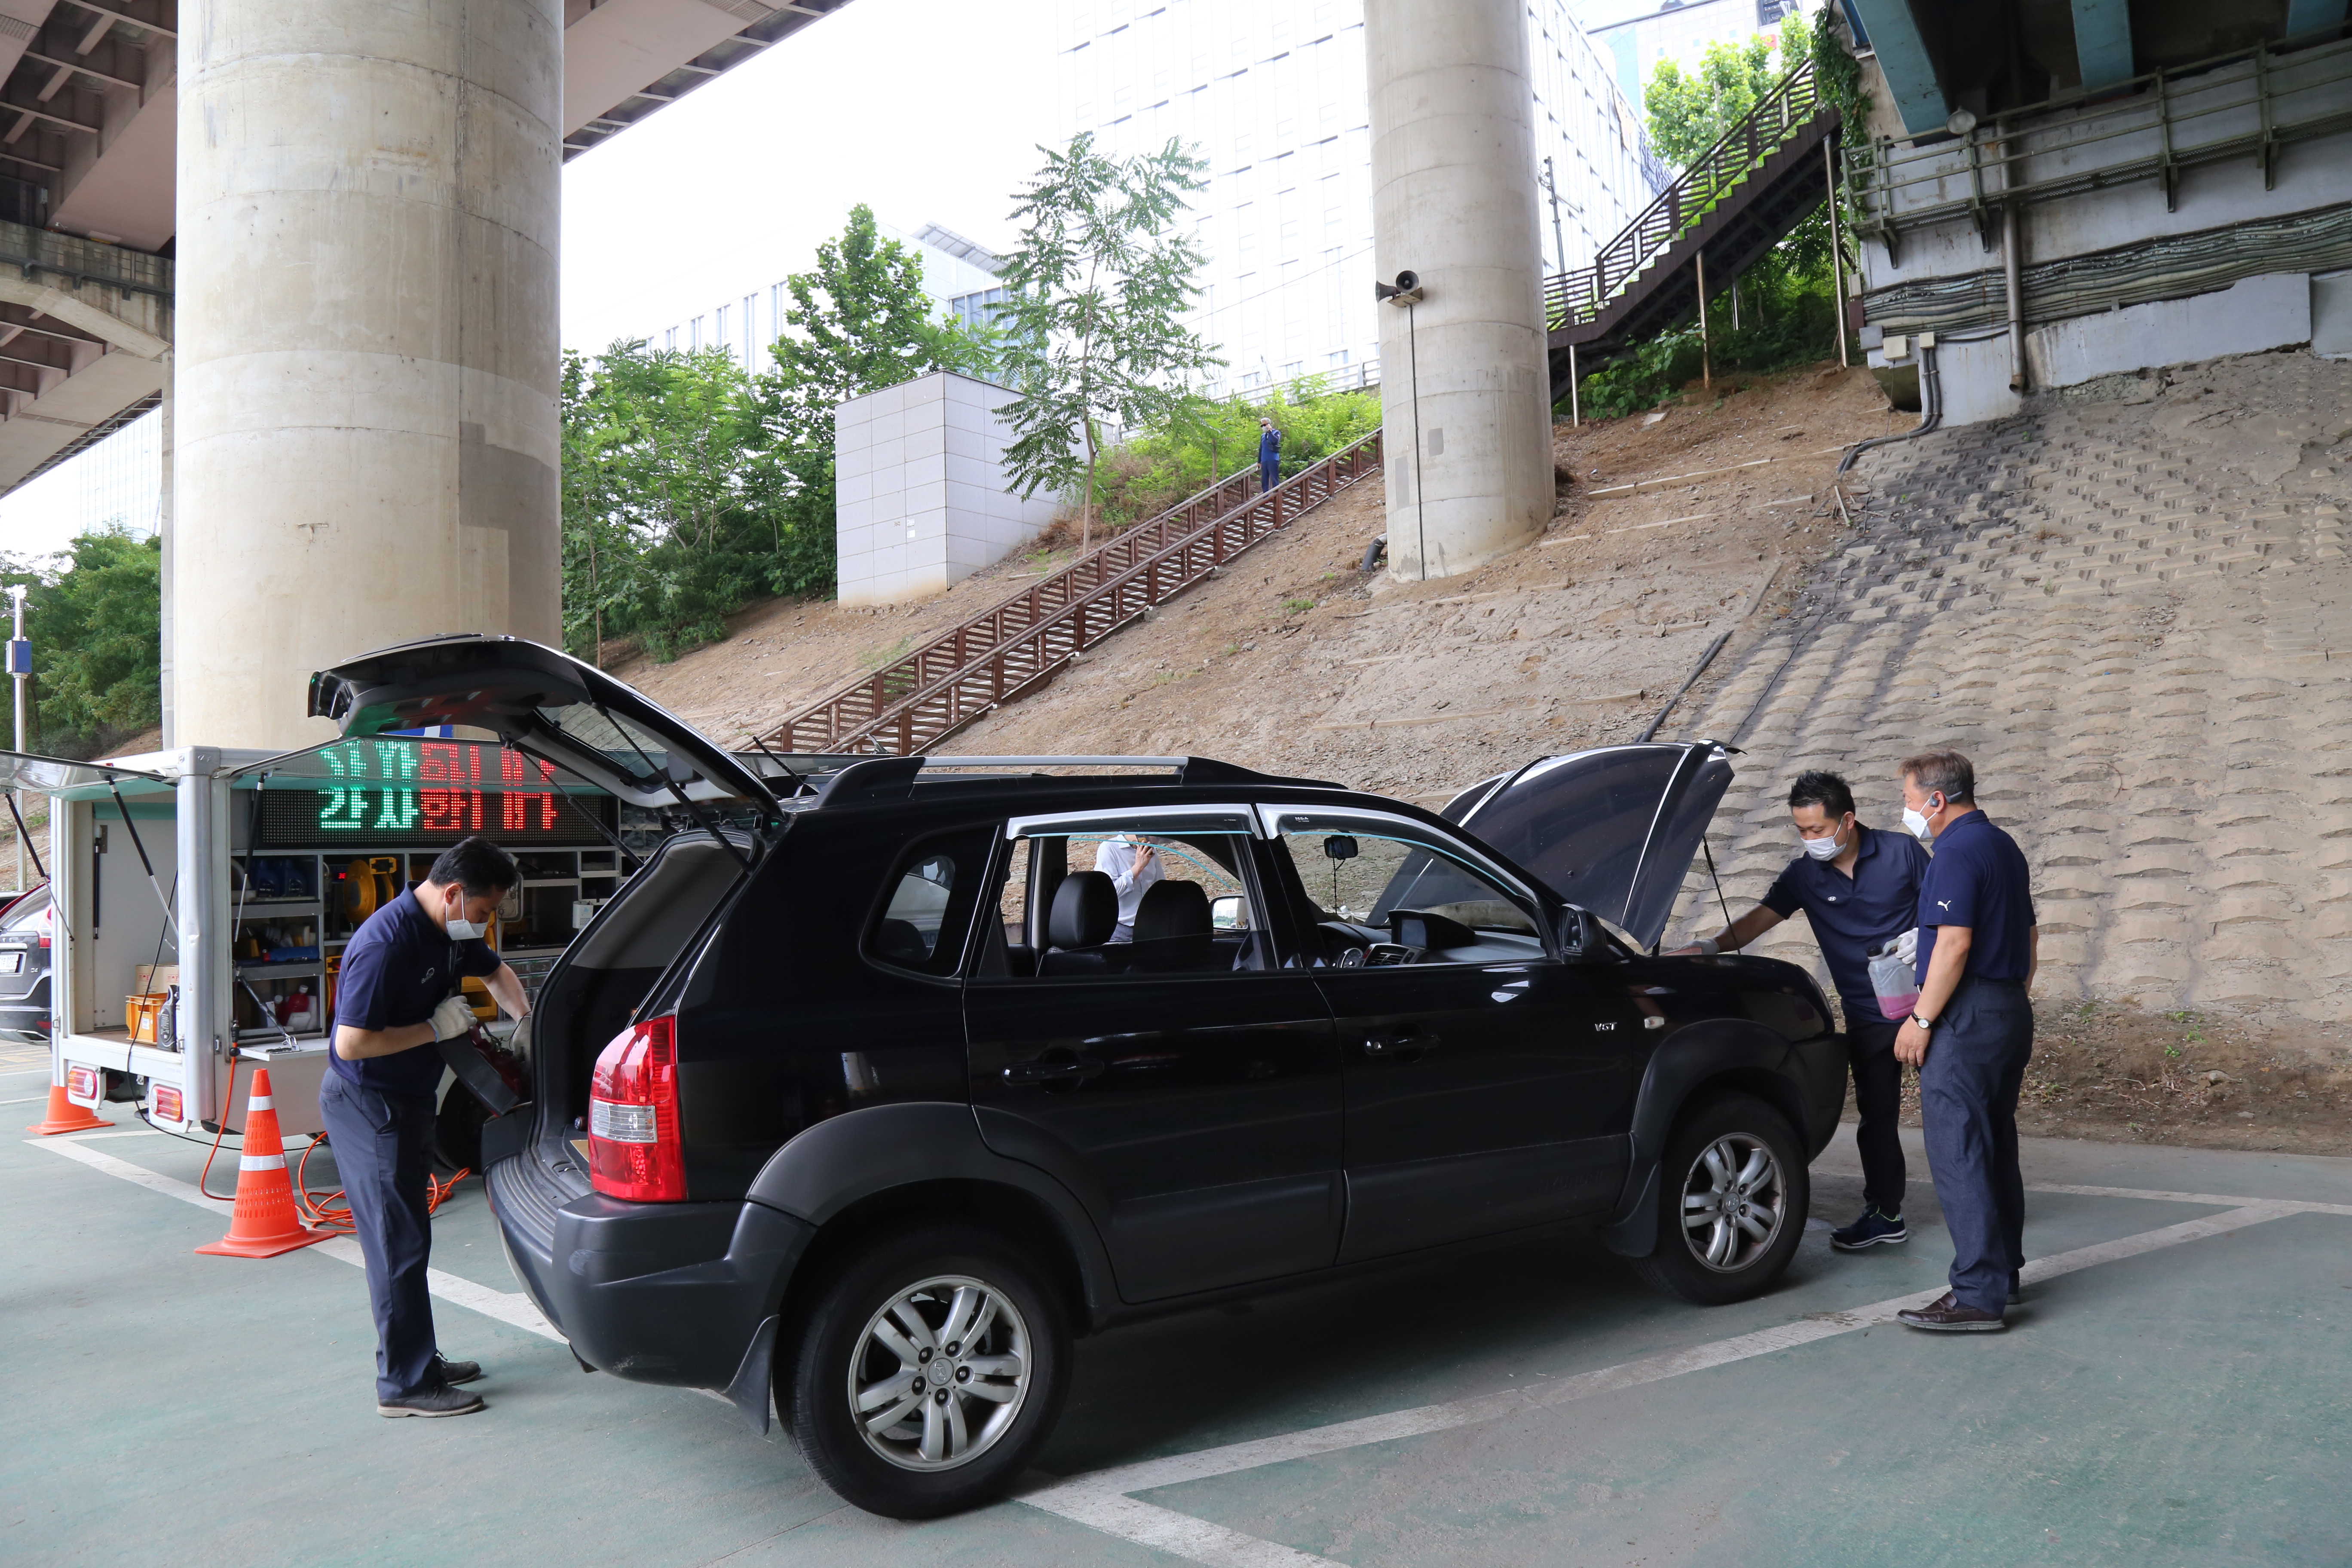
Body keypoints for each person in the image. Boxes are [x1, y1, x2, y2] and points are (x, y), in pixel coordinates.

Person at [1672, 771, 1929, 1250]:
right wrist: (1708, 945)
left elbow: (1946, 908)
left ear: (1847, 820)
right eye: (1801, 830)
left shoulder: (1902, 853)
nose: (1809, 839)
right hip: (1868, 1013)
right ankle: (1885, 1212)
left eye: (1816, 829)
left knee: (1951, 1109)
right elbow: (1761, 918)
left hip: (1929, 1006)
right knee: (1877, 1116)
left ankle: (1979, 1204)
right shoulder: (1804, 876)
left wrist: (1926, 936)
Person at [321, 837, 530, 1415]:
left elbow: (498, 972)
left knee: (410, 1236)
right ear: (456, 893)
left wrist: (527, 1022)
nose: (485, 924)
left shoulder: (451, 930)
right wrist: (432, 1031)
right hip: (369, 1104)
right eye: (485, 911)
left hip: (409, 1099)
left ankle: (419, 1358)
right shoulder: (386, 943)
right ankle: (405, 1387)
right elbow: (352, 1042)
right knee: (396, 1244)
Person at [1888, 750, 2039, 1334]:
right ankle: (2003, 1274)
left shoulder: (1954, 852)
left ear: (1937, 800)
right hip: (2004, 1008)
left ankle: (1976, 1293)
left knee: (1960, 1150)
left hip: (1964, 1015)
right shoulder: (2002, 845)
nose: (1907, 813)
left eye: (1908, 801)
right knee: (1995, 1143)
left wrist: (1922, 1020)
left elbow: (1953, 944)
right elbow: (2028, 932)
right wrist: (2010, 994)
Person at [1093, 832, 1166, 942]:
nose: (1158, 842)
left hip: (1149, 926)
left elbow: (1160, 886)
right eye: (1156, 838)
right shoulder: (1109, 848)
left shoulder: (1151, 849)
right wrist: (1138, 867)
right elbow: (1108, 893)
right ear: (1142, 834)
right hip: (1120, 929)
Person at [1258, 417, 1282, 496]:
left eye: (1265, 425)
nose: (1264, 427)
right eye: (1262, 426)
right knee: (1264, 480)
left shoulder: (1276, 433)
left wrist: (1270, 431)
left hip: (1273, 459)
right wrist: (1259, 461)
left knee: (1274, 479)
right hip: (1264, 460)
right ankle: (1266, 497)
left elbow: (1276, 441)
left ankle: (1277, 495)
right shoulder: (1263, 436)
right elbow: (1261, 448)